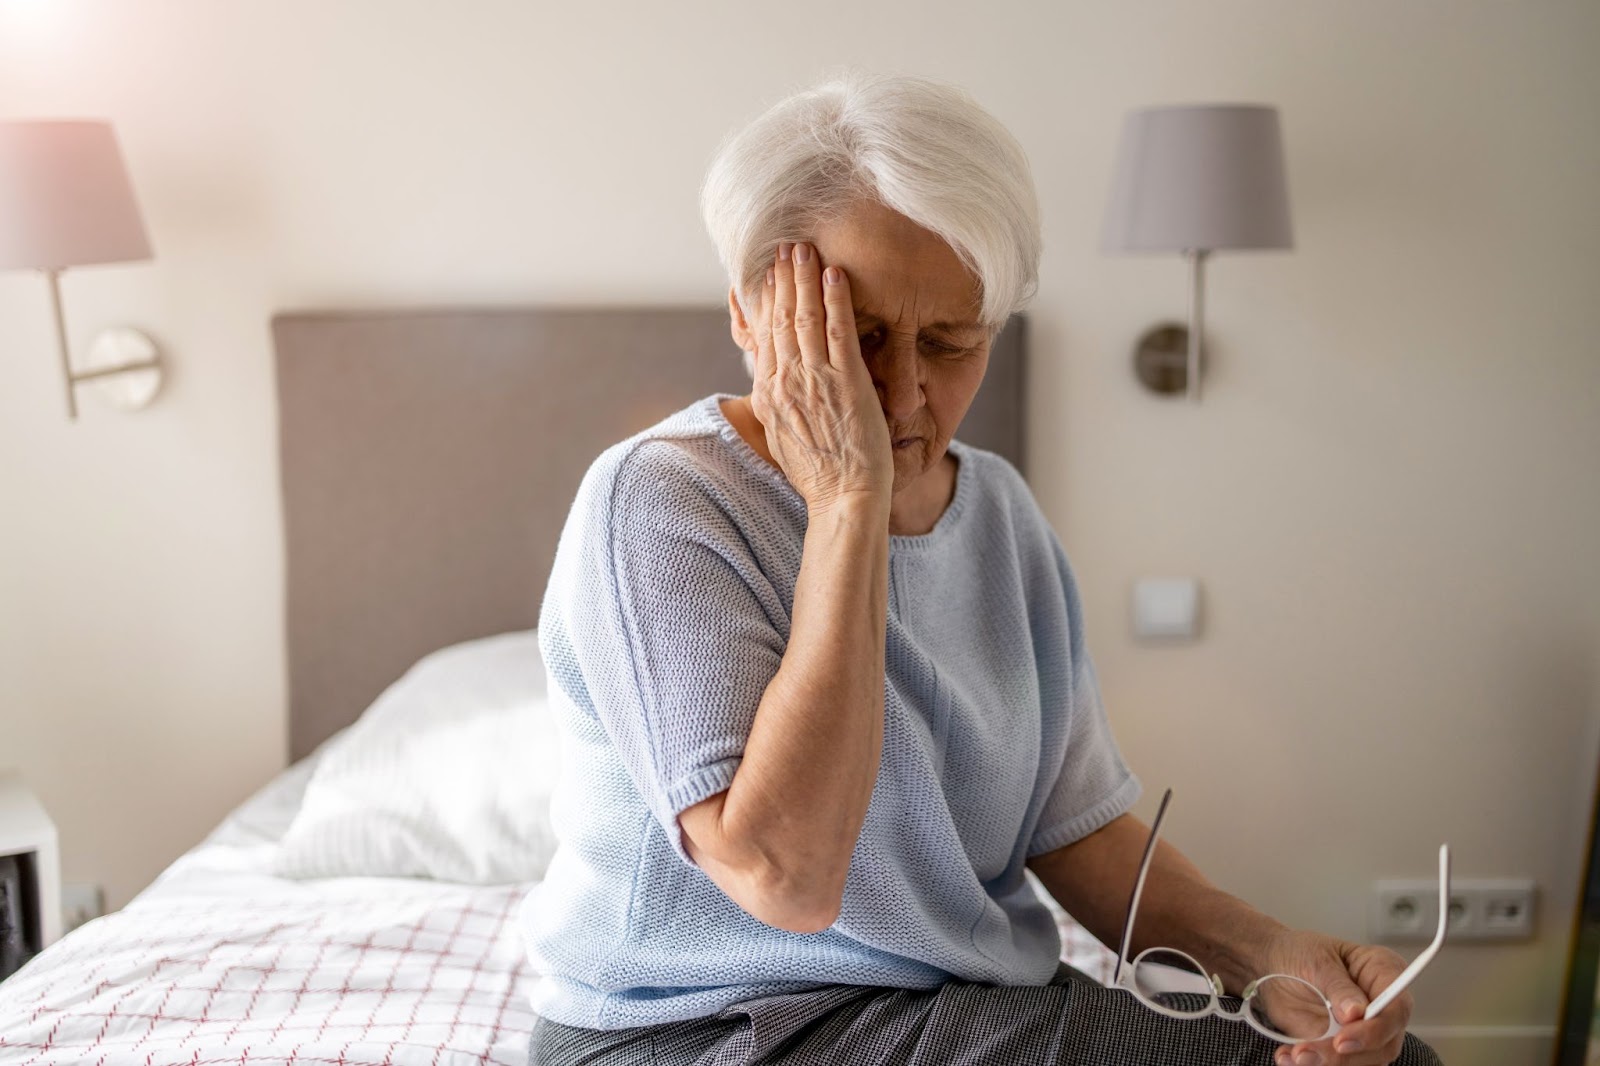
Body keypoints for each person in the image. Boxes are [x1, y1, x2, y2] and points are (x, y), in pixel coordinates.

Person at [520, 70, 1442, 1066]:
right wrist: (845, 505)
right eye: (858, 339)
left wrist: (1271, 958)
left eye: (950, 341)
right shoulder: (661, 503)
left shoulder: (996, 511)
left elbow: (1073, 829)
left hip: (944, 1004)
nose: (905, 393)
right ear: (752, 316)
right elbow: (785, 878)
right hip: (706, 1030)